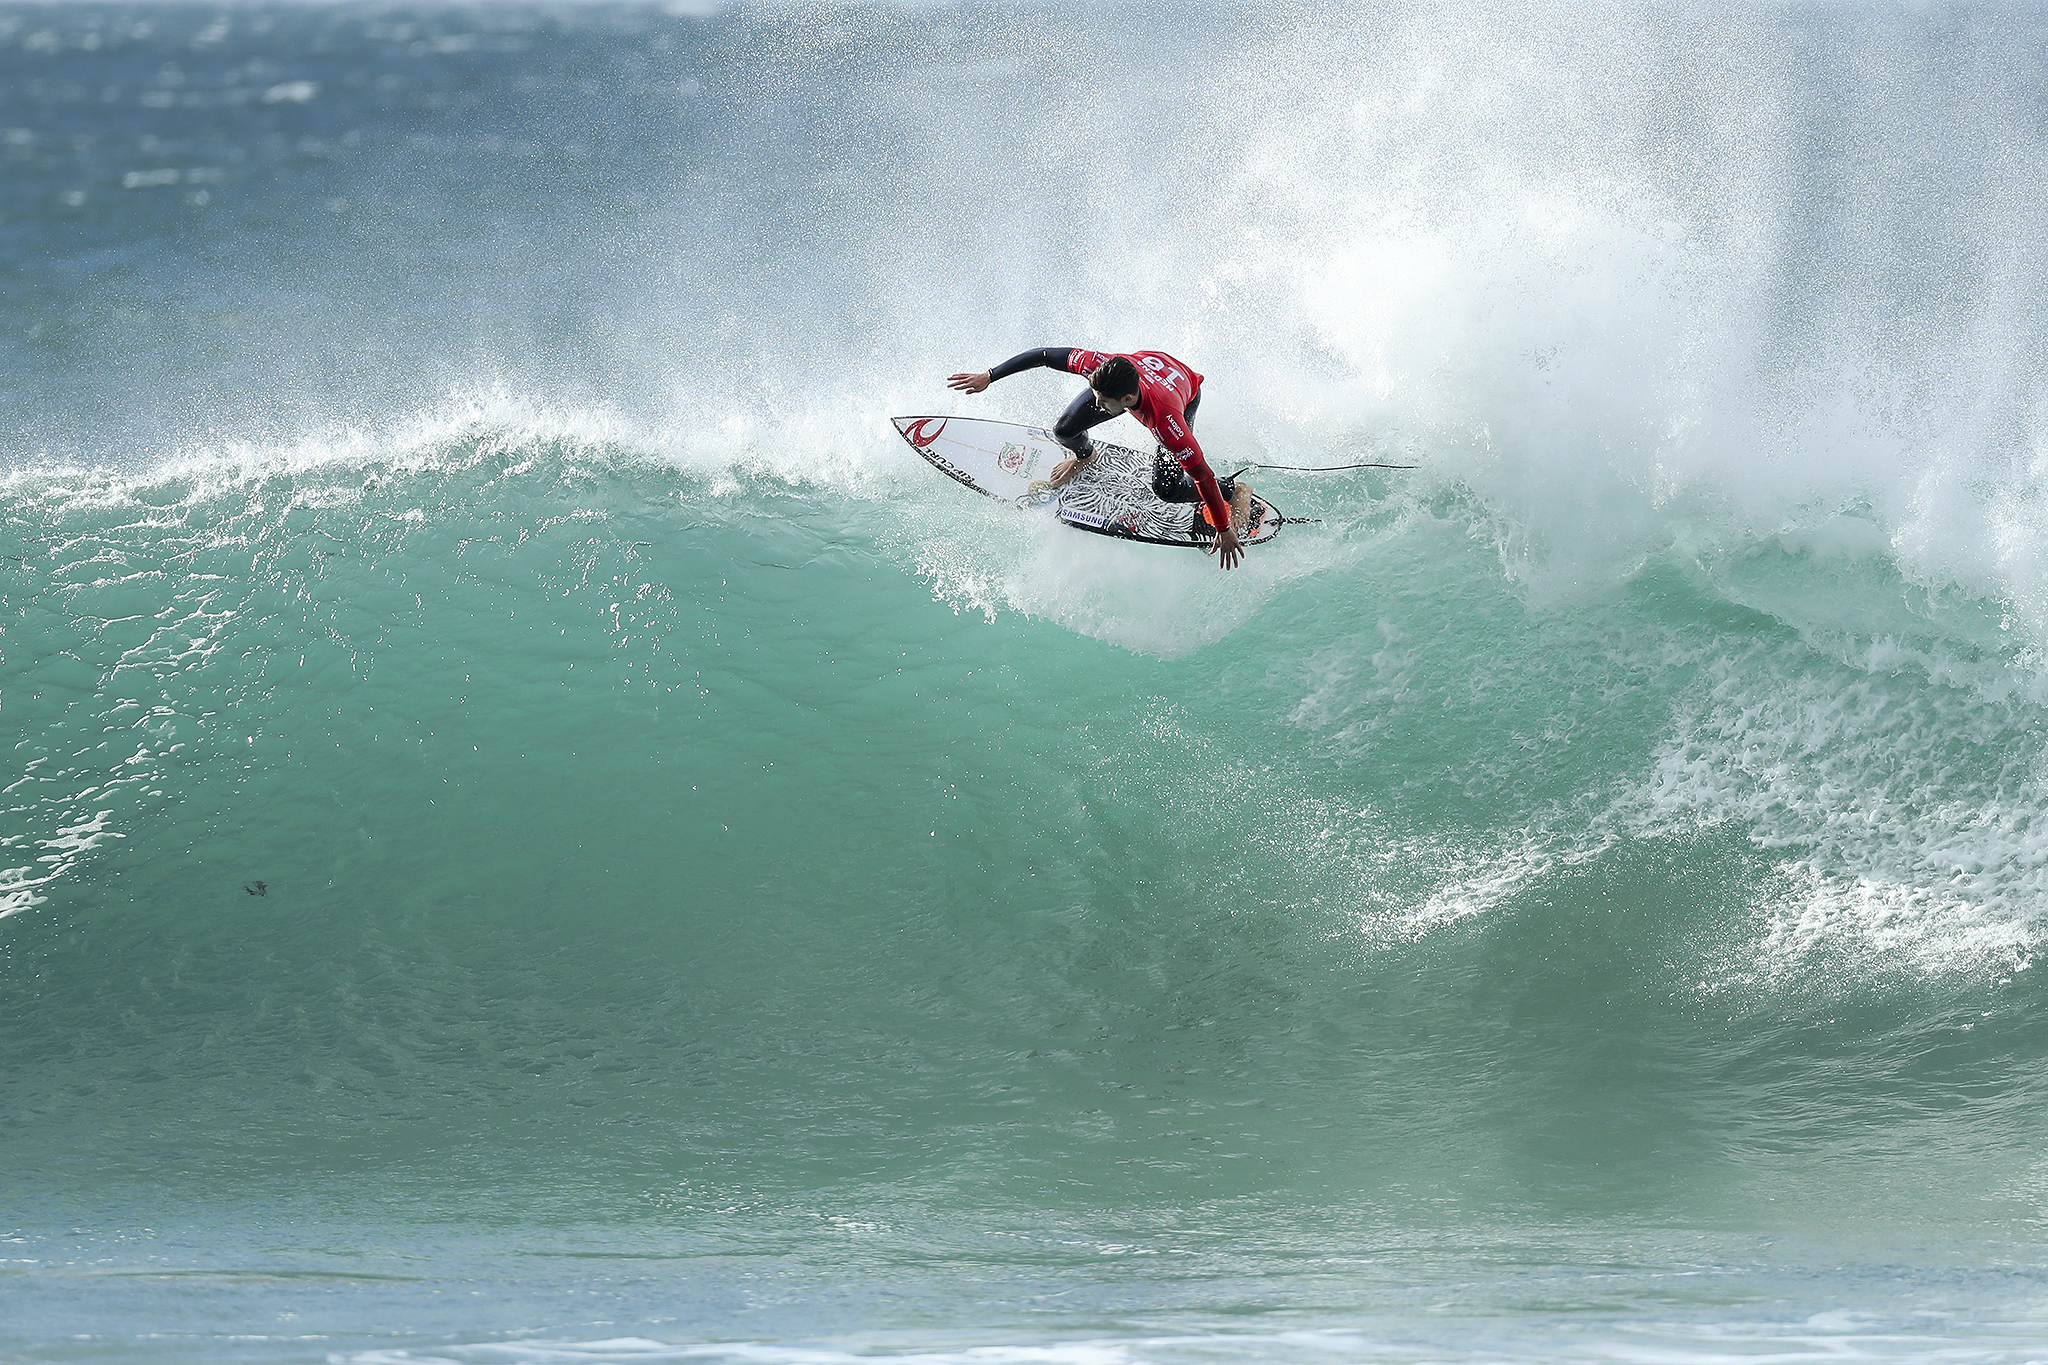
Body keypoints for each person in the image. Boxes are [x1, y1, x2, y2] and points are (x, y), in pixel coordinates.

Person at [946, 347, 1254, 571]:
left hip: (1181, 390)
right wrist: (989, 376)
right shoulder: (1101, 367)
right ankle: (1086, 455)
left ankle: (1237, 491)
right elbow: (1043, 357)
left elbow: (1202, 475)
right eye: (1095, 395)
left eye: (1103, 402)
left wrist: (1224, 528)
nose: (1096, 404)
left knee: (1167, 489)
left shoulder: (1166, 422)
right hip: (1147, 368)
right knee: (1065, 430)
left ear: (1127, 401)